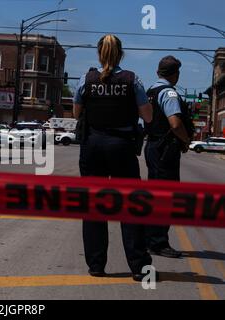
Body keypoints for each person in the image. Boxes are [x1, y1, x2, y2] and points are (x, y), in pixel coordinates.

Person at [73, 34, 154, 281]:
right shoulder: (133, 80)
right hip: (122, 147)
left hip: (93, 146)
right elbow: (148, 116)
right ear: (120, 54)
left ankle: (96, 265)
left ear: (99, 54)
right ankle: (139, 267)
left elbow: (77, 113)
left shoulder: (85, 80)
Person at [144, 56, 193, 258]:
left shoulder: (150, 92)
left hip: (153, 146)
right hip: (165, 149)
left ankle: (151, 239)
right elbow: (175, 123)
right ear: (176, 74)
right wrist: (186, 140)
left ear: (158, 72)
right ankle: (158, 243)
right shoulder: (169, 93)